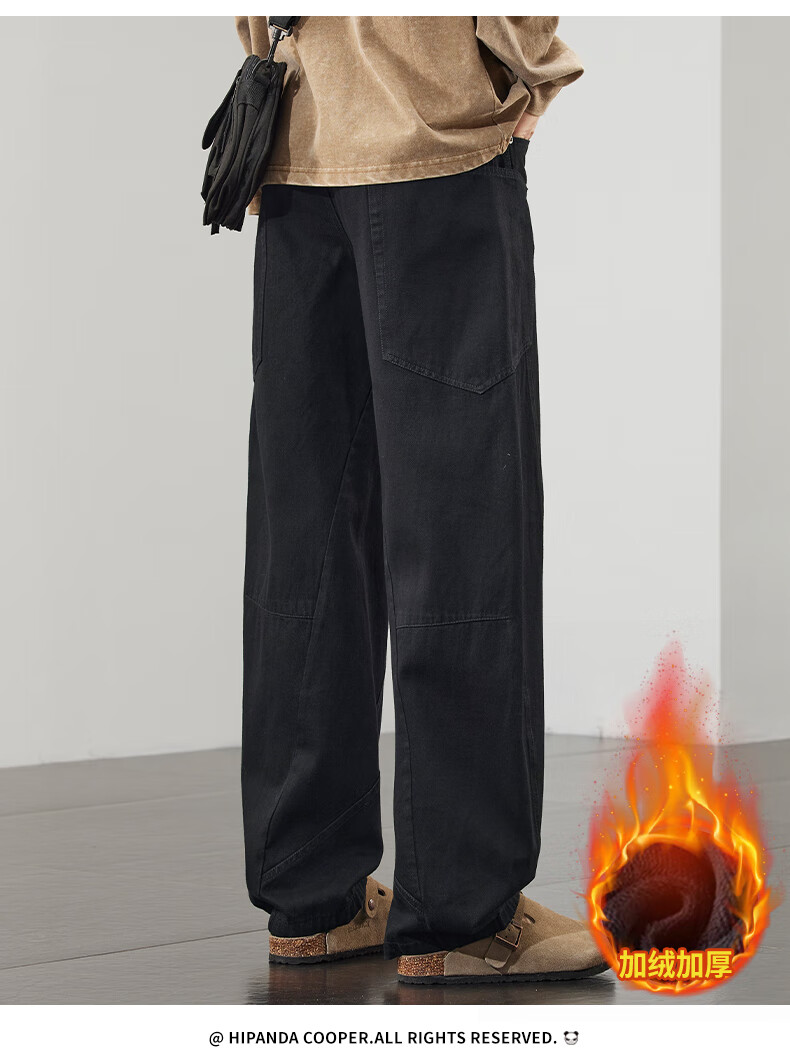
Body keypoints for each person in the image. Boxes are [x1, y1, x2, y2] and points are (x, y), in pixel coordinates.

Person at [233, 14, 605, 985]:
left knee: (307, 542)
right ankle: (462, 912)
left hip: (299, 151)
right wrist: (529, 81)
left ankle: (312, 899)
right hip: (434, 151)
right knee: (463, 529)